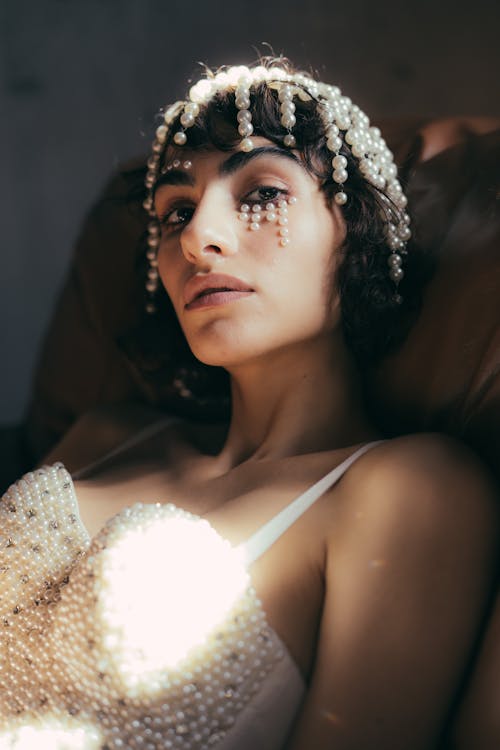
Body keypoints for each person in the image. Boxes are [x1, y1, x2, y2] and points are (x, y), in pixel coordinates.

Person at [0, 59, 497, 750]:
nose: (198, 239)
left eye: (260, 192)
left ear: (353, 228)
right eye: (176, 211)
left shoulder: (408, 489)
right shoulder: (102, 434)